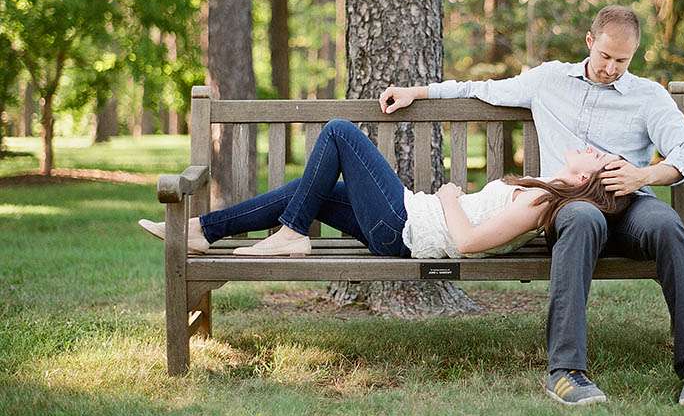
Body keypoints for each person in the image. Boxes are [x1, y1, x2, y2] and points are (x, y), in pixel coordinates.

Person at [377, 4, 684, 407]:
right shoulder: (549, 80)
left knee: (668, 226)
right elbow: (482, 89)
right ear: (590, 42)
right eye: (605, 56)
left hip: (630, 201)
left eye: (622, 61)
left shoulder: (647, 96)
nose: (611, 68)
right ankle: (566, 371)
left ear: (634, 54)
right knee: (580, 219)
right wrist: (418, 92)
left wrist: (644, 176)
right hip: (573, 202)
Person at [139, 119, 621, 266]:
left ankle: (289, 233)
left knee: (339, 133)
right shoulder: (542, 191)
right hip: (409, 219)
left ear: (583, 181)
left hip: (406, 228)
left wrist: (451, 199)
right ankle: (204, 229)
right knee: (312, 190)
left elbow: (471, 244)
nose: (588, 149)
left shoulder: (541, 203)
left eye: (597, 158)